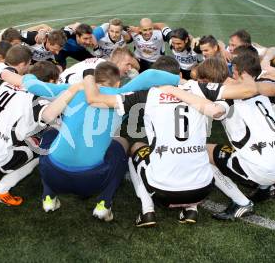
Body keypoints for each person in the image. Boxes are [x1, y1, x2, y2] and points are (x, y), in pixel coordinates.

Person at [84, 56, 262, 227]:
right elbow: (250, 90)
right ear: (180, 76)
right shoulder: (200, 88)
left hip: (163, 192)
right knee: (201, 157)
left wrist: (88, 73)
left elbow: (94, 100)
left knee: (136, 148)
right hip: (202, 190)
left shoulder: (145, 94)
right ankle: (192, 209)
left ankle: (147, 211)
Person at [17, 63, 181, 221]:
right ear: (117, 83)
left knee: (51, 134)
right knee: (120, 146)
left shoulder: (70, 90)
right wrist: (179, 80)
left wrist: (27, 74)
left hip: (53, 174)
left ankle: (48, 197)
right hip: (92, 181)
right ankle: (104, 203)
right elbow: (150, 75)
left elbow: (33, 86)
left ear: (93, 81)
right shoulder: (121, 94)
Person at [0, 66, 82, 206]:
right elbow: (50, 117)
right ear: (50, 81)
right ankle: (1, 191)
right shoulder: (39, 98)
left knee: (1, 139)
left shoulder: (3, 85)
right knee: (41, 148)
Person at [206, 51, 275, 220]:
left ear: (240, 73)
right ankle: (266, 189)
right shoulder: (264, 90)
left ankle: (241, 203)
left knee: (202, 152)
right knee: (255, 145)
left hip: (265, 169)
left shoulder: (227, 98)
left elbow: (216, 110)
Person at [58, 47, 139, 84]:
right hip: (61, 94)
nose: (130, 69)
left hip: (63, 89)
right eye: (128, 64)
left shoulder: (103, 64)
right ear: (118, 61)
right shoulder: (104, 70)